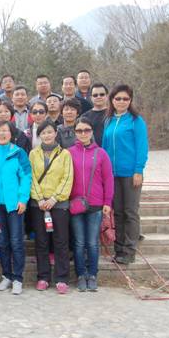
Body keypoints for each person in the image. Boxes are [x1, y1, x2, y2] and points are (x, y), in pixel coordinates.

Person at [0, 120, 32, 295]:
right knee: (2, 242)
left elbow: (26, 177)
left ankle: (18, 278)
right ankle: (7, 275)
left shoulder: (19, 153)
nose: (1, 134)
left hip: (14, 206)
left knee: (16, 242)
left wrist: (23, 199)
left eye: (5, 131)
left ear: (11, 134)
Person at [102, 84, 148, 265]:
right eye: (118, 98)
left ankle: (129, 250)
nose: (121, 102)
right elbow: (104, 149)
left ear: (130, 101)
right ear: (112, 100)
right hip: (113, 175)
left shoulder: (136, 121)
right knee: (118, 213)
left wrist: (138, 170)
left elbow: (142, 147)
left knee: (130, 212)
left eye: (125, 99)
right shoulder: (108, 120)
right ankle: (119, 249)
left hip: (130, 174)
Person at [68, 117, 114, 291]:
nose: (83, 133)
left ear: (92, 132)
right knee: (79, 242)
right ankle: (81, 274)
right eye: (79, 130)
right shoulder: (69, 153)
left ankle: (93, 274)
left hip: (96, 204)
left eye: (86, 130)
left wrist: (107, 202)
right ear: (75, 133)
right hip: (75, 204)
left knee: (93, 242)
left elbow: (108, 179)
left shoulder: (101, 153)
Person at [29, 120, 74, 294]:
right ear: (39, 135)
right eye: (43, 133)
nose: (47, 135)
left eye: (50, 132)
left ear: (56, 133)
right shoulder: (33, 154)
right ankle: (43, 277)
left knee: (61, 241)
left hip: (59, 204)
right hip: (38, 205)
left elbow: (67, 177)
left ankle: (62, 278)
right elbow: (31, 177)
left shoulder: (65, 154)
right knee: (41, 241)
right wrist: (40, 198)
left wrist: (55, 198)